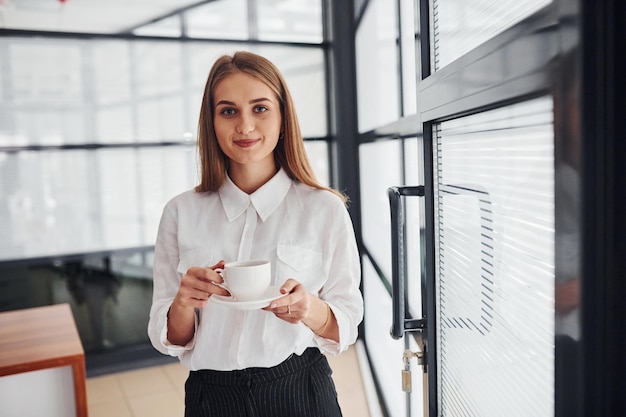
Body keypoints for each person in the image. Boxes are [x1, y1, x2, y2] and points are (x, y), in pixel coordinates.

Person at [148, 50, 364, 417]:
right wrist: (183, 302)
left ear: (283, 119)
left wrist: (308, 309)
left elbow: (346, 321)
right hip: (211, 397)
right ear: (211, 123)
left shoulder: (323, 209)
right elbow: (170, 338)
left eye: (260, 108)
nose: (245, 126)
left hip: (300, 389)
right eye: (228, 111)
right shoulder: (180, 212)